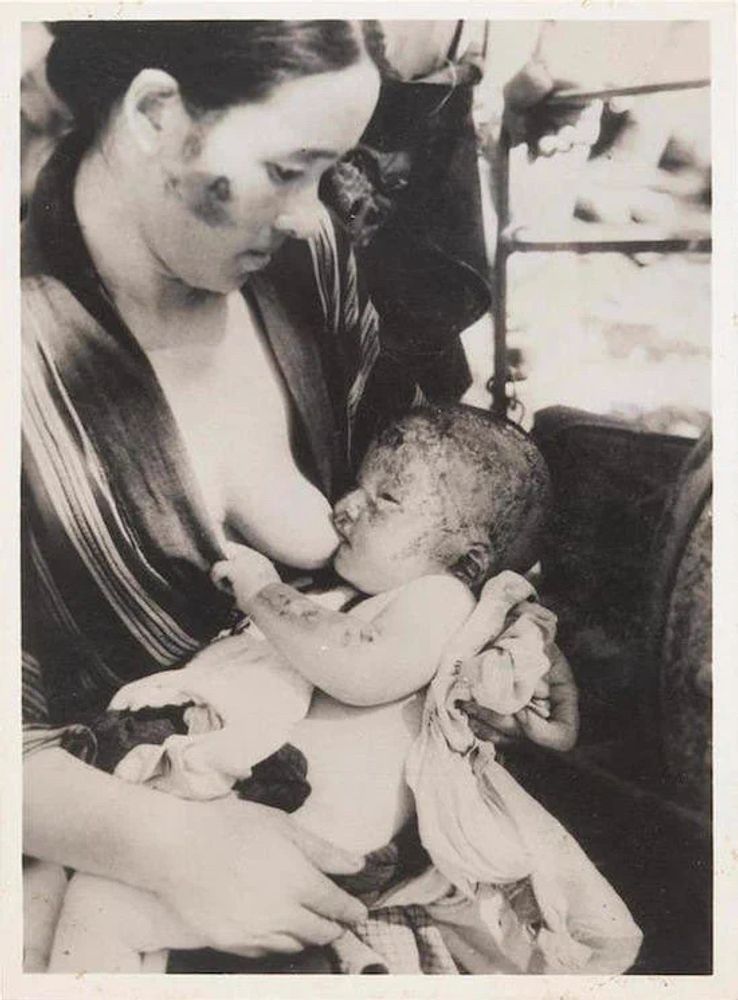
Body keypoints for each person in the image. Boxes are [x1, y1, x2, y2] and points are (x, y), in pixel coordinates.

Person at [21, 20, 579, 971]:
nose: (312, 209)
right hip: (104, 847)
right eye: (287, 168)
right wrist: (166, 845)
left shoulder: (302, 262)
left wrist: (485, 635)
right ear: (159, 110)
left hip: (355, 836)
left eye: (329, 171)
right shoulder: (27, 359)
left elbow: (424, 496)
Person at [42, 405, 638, 974]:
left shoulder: (440, 599)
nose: (347, 507)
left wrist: (263, 593)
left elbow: (360, 669)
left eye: (386, 500)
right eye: (357, 487)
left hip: (319, 852)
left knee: (102, 906)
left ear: (467, 560)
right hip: (277, 828)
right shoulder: (373, 596)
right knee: (91, 897)